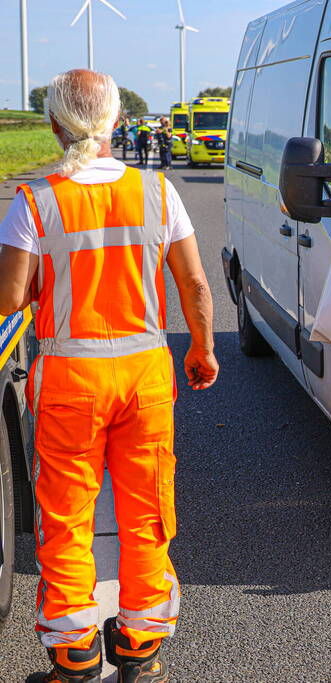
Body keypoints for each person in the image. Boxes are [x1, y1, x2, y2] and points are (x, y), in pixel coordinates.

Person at [0, 69, 219, 683]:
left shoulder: (35, 202)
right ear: (116, 123)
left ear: (53, 124)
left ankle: (75, 656)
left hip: (70, 376)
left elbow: (10, 297)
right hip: (145, 377)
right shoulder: (157, 191)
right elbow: (195, 283)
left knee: (68, 515)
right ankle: (141, 651)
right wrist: (201, 348)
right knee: (146, 511)